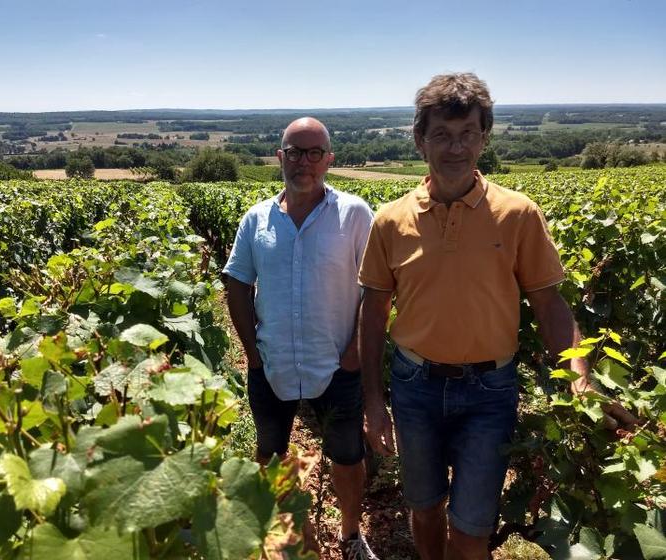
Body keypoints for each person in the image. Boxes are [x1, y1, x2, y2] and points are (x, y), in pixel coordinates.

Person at [357, 73, 637, 560]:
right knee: (424, 508)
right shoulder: (389, 221)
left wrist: (579, 379)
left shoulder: (519, 214)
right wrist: (374, 400)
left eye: (468, 134)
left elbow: (550, 304)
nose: (455, 148)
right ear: (420, 139)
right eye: (442, 134)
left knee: (470, 530)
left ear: (485, 137)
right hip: (414, 386)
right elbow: (373, 313)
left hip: (490, 393)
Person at [223, 117, 379, 559]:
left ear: (329, 159)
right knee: (272, 455)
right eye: (294, 152)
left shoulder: (355, 214)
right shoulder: (256, 219)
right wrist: (252, 353)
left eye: (314, 153)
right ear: (280, 157)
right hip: (272, 364)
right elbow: (236, 281)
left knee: (348, 457)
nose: (303, 162)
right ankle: (291, 536)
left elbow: (373, 288)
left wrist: (353, 354)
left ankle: (351, 535)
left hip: (336, 365)